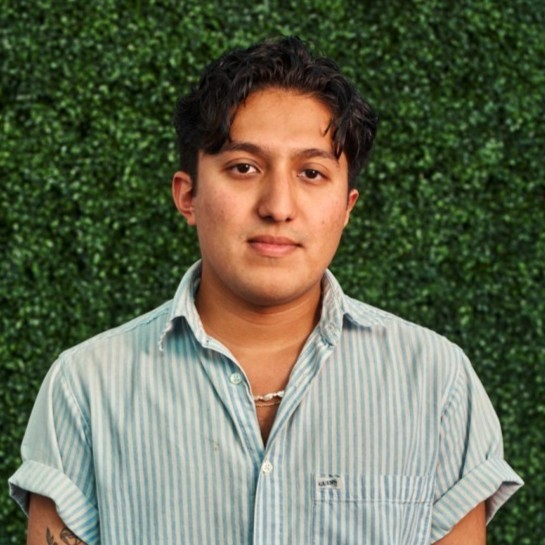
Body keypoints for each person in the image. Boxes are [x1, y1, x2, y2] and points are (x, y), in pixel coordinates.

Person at [10, 36, 522, 545]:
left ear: (347, 206)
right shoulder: (85, 389)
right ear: (187, 196)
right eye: (244, 167)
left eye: (312, 172)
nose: (278, 205)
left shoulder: (436, 383)